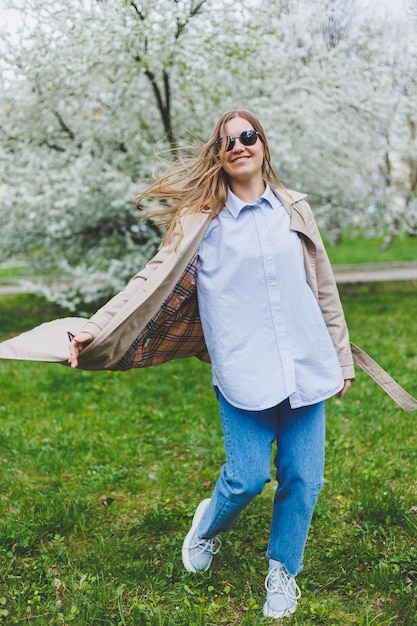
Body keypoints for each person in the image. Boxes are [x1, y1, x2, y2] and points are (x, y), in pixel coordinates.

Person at [68, 109, 354, 620]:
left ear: (263, 145)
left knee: (303, 479)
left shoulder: (294, 209)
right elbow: (148, 280)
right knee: (246, 479)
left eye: (249, 136)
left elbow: (323, 287)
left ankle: (282, 570)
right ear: (218, 156)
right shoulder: (201, 221)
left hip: (305, 363)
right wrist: (96, 327)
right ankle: (208, 525)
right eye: (228, 142)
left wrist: (340, 357)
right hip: (244, 370)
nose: (240, 145)